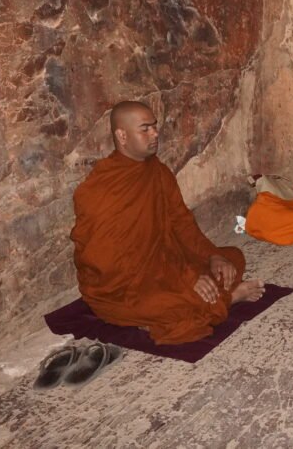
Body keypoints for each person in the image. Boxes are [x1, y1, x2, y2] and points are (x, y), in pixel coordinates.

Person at [71, 101, 265, 345]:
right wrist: (185, 278)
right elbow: (109, 262)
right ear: (122, 135)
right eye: (145, 129)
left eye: (155, 127)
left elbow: (181, 222)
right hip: (122, 288)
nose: (155, 134)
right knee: (175, 307)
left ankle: (195, 303)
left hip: (166, 265)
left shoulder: (157, 171)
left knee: (232, 258)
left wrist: (212, 255)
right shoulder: (101, 189)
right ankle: (228, 299)